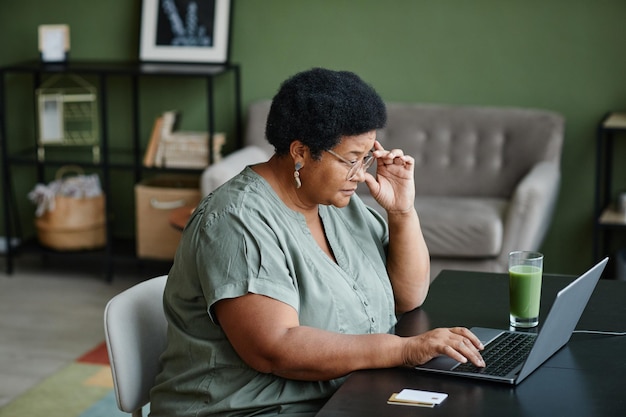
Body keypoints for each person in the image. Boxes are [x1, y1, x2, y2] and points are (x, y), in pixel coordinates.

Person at [149, 68, 484, 417]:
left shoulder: (337, 203)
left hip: (346, 396)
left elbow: (408, 296)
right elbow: (274, 348)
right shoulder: (236, 221)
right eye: (351, 160)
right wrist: (403, 350)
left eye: (367, 157)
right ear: (301, 153)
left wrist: (402, 212)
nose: (362, 173)